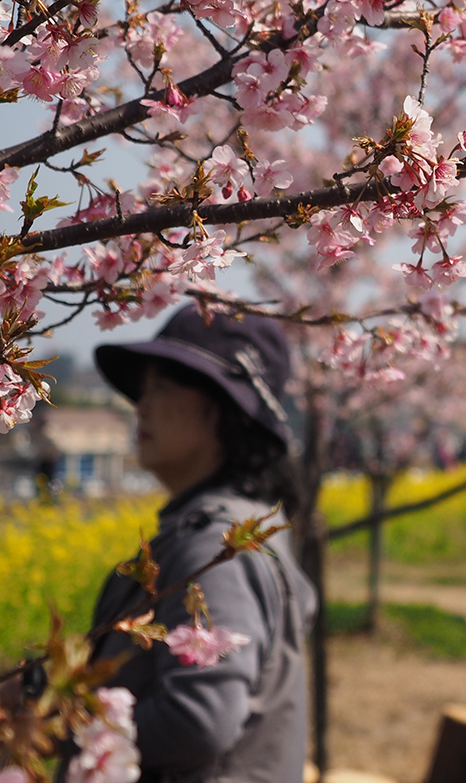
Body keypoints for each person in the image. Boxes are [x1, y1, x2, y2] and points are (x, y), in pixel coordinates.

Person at [87, 304, 317, 783]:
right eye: (142, 389)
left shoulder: (216, 547)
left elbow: (201, 718)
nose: (141, 405)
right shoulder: (226, 529)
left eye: (162, 386)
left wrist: (64, 724)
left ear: (223, 407)